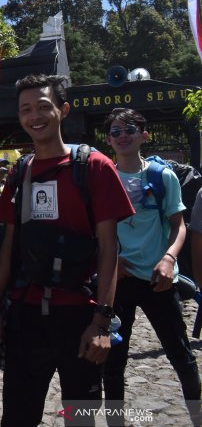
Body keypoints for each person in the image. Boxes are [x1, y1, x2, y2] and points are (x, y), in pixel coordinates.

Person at [0, 74, 133, 426]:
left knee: (80, 418)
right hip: (26, 315)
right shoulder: (20, 171)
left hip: (79, 316)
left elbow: (110, 248)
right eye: (25, 109)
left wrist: (101, 321)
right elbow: (9, 247)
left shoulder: (94, 167)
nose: (34, 116)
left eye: (43, 106)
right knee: (18, 417)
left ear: (63, 110)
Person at [101, 108, 201, 425]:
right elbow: (95, 228)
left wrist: (169, 258)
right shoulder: (103, 178)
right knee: (113, 361)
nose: (122, 136)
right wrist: (110, 262)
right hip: (119, 280)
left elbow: (178, 224)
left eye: (129, 129)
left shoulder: (162, 176)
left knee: (181, 355)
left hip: (158, 279)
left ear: (145, 135)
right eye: (115, 131)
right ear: (108, 140)